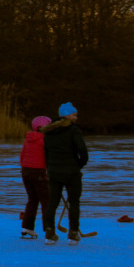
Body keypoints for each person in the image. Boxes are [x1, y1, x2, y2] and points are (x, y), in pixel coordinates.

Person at [41, 102, 89, 243]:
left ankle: (49, 233)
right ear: (67, 116)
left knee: (52, 203)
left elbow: (46, 153)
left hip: (54, 172)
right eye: (74, 115)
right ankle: (73, 233)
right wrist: (78, 165)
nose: (76, 118)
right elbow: (83, 152)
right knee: (74, 202)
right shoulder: (73, 130)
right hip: (71, 172)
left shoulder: (49, 131)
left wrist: (49, 168)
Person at [18, 115, 52, 239]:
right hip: (39, 173)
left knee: (32, 199)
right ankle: (49, 228)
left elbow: (22, 156)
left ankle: (27, 227)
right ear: (41, 127)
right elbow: (48, 158)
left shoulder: (28, 139)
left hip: (26, 172)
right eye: (48, 125)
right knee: (46, 201)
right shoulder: (45, 140)